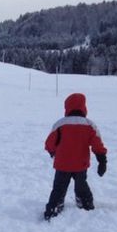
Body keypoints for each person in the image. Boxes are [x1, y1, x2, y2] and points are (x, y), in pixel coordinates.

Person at [43, 92, 108, 220]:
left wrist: (53, 152)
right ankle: (85, 203)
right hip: (80, 164)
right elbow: (97, 145)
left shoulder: (60, 124)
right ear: (84, 107)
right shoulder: (89, 125)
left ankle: (54, 207)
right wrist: (102, 161)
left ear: (67, 107)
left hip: (62, 164)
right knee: (81, 185)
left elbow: (49, 143)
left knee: (59, 188)